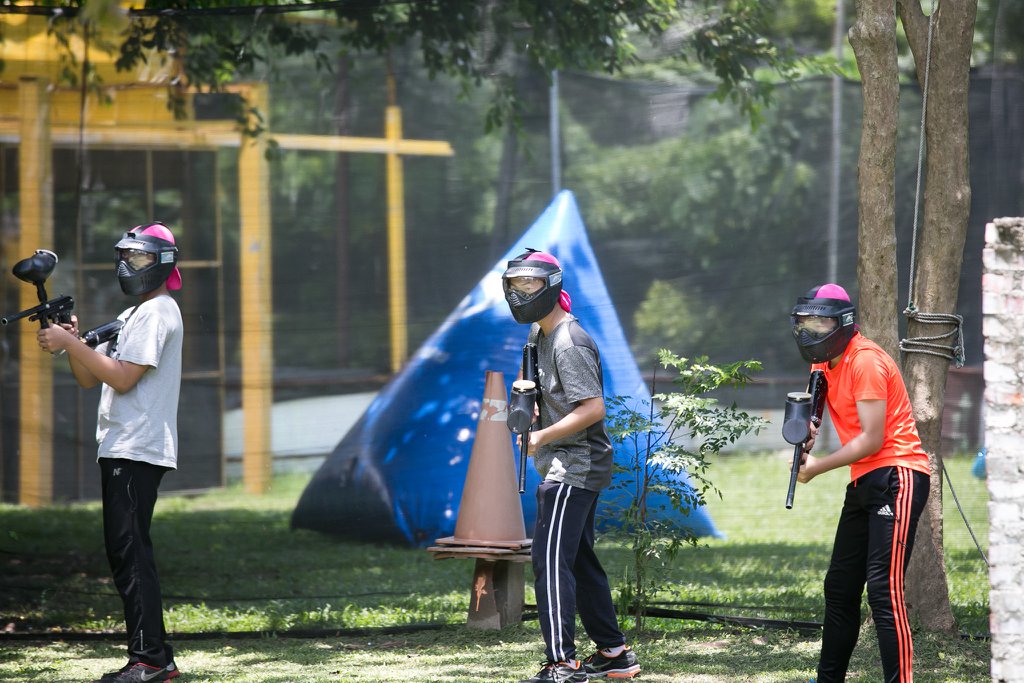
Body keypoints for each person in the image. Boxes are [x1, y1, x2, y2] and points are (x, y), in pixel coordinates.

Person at [37, 223, 184, 683]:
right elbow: (91, 378)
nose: (127, 266)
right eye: (124, 256)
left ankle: (149, 662)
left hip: (137, 447)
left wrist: (71, 344)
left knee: (131, 554)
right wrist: (74, 342)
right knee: (128, 553)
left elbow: (123, 379)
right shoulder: (133, 314)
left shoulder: (158, 311)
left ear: (161, 263)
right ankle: (158, 657)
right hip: (123, 445)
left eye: (137, 258)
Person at [502, 249, 641, 683]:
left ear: (552, 286)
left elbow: (593, 407)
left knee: (548, 559)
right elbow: (548, 396)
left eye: (531, 284)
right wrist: (530, 407)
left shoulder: (569, 341)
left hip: (574, 466)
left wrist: (541, 436)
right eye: (515, 285)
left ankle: (563, 663)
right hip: (566, 462)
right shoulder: (537, 337)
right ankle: (615, 654)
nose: (522, 293)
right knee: (578, 560)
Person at [789, 283, 930, 683]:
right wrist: (806, 433)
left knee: (884, 592)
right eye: (803, 323)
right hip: (864, 478)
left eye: (819, 323)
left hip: (897, 475)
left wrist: (816, 467)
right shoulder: (821, 364)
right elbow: (813, 415)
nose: (809, 331)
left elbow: (872, 438)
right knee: (839, 587)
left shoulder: (864, 360)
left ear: (842, 323)